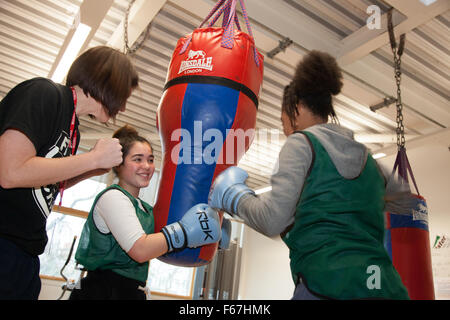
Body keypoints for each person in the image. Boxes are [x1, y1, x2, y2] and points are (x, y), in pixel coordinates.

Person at [208, 50, 410, 300]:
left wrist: (233, 196)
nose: (285, 130)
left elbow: (272, 220)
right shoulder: (368, 159)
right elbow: (405, 201)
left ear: (297, 108)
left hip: (326, 285)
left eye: (284, 121)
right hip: (384, 287)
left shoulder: (302, 143)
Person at [0, 46, 139, 300]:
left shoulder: (72, 129)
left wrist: (92, 168)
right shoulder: (44, 93)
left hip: (25, 255)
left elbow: (50, 183)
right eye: (124, 96)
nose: (124, 106)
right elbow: (10, 171)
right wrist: (92, 158)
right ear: (110, 83)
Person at [69, 125, 222, 300]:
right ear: (119, 164)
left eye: (150, 160)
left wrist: (208, 231)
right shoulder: (113, 197)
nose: (147, 166)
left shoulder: (145, 209)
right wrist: (186, 230)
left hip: (129, 292)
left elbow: (161, 246)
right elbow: (140, 249)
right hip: (102, 291)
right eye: (137, 159)